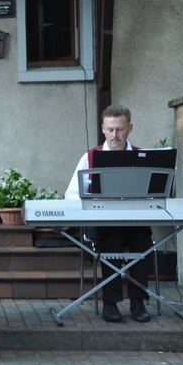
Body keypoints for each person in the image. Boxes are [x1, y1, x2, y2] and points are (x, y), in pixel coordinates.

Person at [64, 104, 152, 323]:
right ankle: (110, 303)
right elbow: (72, 193)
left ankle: (137, 301)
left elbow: (154, 193)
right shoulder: (90, 157)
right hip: (103, 221)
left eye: (120, 129)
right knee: (109, 243)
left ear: (130, 128)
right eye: (110, 129)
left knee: (143, 243)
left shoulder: (142, 156)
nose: (115, 135)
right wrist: (93, 205)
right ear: (103, 129)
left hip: (135, 221)